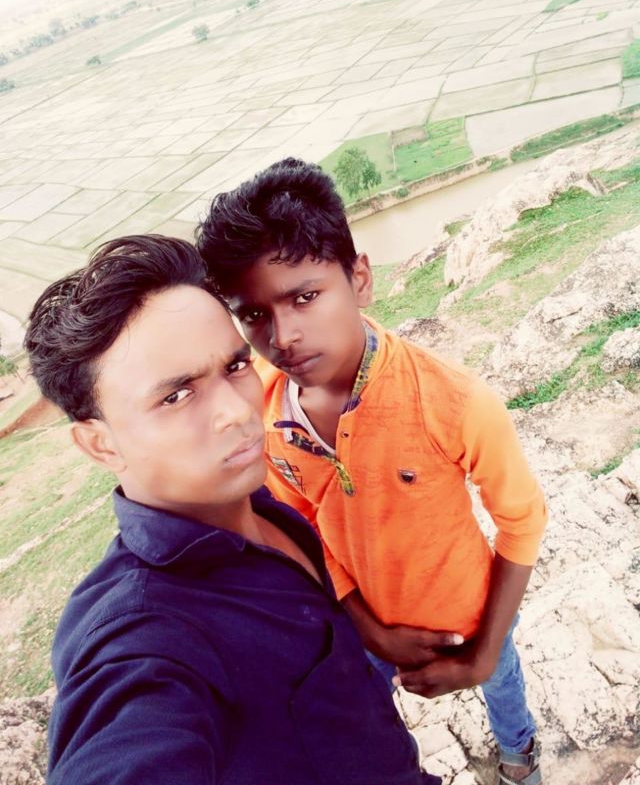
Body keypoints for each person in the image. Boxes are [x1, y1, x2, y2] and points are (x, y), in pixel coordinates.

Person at [25, 234, 443, 785]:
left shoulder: (258, 501)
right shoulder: (143, 637)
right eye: (176, 396)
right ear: (101, 444)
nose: (237, 412)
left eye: (235, 365)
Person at [196, 158, 549, 785]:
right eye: (253, 315)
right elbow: (300, 524)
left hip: (473, 614)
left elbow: (523, 521)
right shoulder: (266, 411)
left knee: (503, 685)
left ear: (359, 278)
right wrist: (370, 630)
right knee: (367, 715)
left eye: (305, 297)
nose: (283, 335)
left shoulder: (453, 401)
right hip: (366, 625)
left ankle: (520, 755)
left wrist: (484, 650)